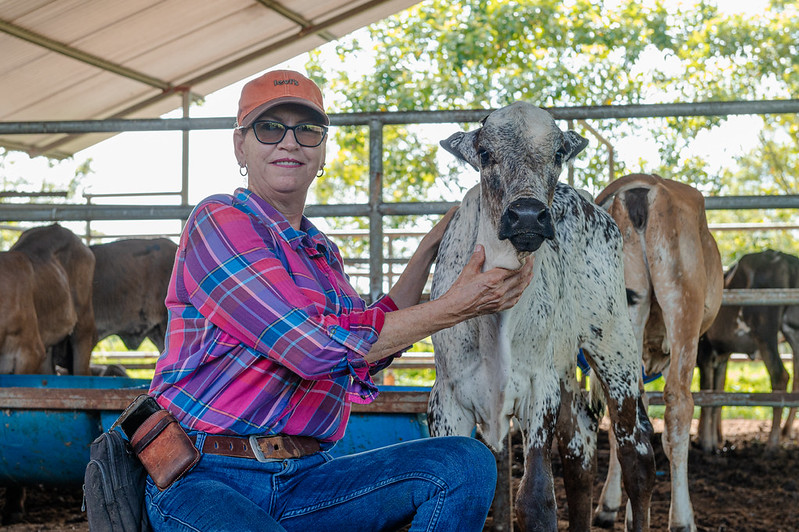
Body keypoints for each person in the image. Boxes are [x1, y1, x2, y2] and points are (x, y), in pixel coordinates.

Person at [144, 69, 535, 531]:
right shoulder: (218, 222)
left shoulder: (320, 252)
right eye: (269, 128)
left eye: (307, 130)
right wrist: (457, 306)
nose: (289, 142)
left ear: (322, 150)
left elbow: (369, 336)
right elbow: (313, 351)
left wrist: (431, 250)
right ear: (240, 147)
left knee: (463, 464)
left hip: (305, 477)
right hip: (205, 476)